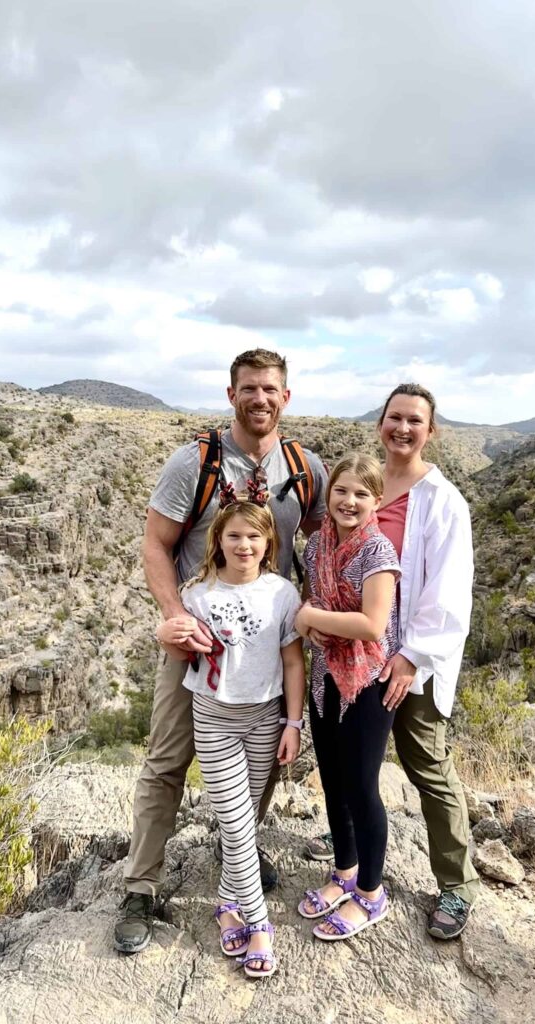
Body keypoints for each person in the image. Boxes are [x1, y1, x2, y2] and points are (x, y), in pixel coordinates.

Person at [115, 348, 327, 954]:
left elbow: (322, 540)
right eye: (249, 388)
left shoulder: (305, 467)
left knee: (262, 761)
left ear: (287, 397)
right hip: (200, 644)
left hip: (270, 643)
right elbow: (156, 545)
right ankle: (142, 886)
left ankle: (239, 851)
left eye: (271, 390)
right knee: (167, 760)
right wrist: (175, 616)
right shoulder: (196, 462)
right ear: (231, 393)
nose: (260, 399)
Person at [304, 384, 479, 941]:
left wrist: (411, 658)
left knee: (426, 765)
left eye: (415, 421)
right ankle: (349, 863)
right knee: (350, 768)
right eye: (394, 418)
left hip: (412, 660)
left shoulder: (442, 500)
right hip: (347, 663)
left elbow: (450, 590)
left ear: (432, 432)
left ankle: (455, 885)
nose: (403, 429)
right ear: (381, 423)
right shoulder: (369, 486)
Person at [158, 489, 305, 978]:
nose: (244, 545)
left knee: (245, 822)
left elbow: (292, 661)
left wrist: (293, 722)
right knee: (235, 823)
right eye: (234, 536)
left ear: (269, 544)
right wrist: (166, 635)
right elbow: (181, 652)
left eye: (254, 537)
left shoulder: (284, 594)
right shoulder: (195, 596)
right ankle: (260, 925)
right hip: (214, 717)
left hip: (265, 718)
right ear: (217, 541)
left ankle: (227, 903)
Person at [294, 454, 400, 941]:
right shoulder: (316, 544)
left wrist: (309, 619)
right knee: (333, 782)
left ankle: (372, 893)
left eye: (361, 494)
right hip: (325, 678)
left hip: (367, 682)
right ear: (329, 494)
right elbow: (315, 601)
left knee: (361, 786)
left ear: (376, 501)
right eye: (341, 491)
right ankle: (344, 871)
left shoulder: (378, 552)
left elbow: (371, 624)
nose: (349, 501)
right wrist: (311, 623)